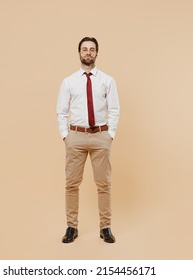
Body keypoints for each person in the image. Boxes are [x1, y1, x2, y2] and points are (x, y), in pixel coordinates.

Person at [56, 37, 120, 243]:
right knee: (72, 184)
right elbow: (61, 111)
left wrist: (110, 135)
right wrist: (65, 135)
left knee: (104, 184)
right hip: (76, 137)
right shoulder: (69, 81)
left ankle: (106, 227)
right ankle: (71, 227)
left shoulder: (107, 80)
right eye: (84, 49)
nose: (88, 53)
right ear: (79, 53)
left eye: (92, 49)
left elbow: (115, 109)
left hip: (101, 136)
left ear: (97, 53)